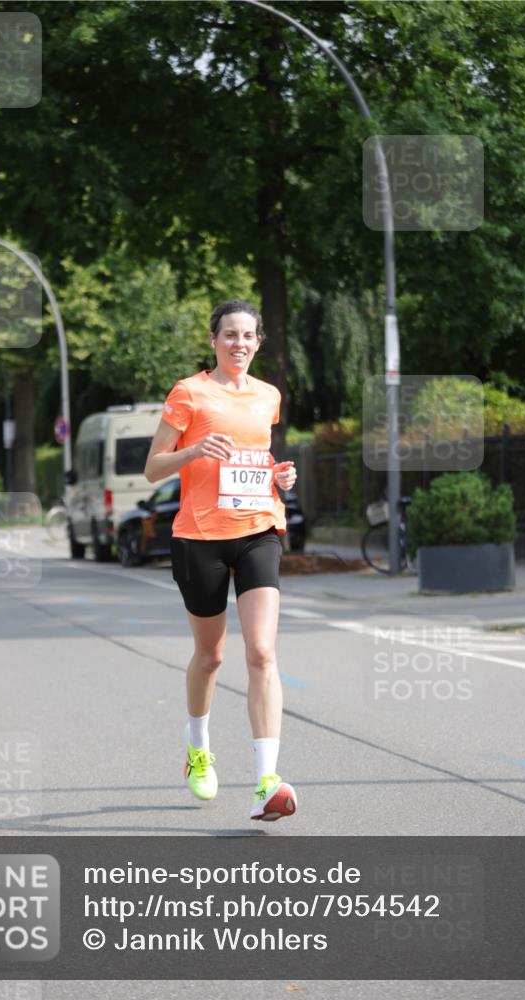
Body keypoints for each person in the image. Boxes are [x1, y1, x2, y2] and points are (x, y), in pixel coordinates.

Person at [145, 299, 298, 822]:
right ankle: (198, 749)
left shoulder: (269, 396)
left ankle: (266, 781)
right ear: (213, 340)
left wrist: (279, 476)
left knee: (261, 652)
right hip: (199, 536)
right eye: (229, 334)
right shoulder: (189, 392)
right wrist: (192, 452)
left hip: (258, 529)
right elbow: (151, 468)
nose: (239, 343)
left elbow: (259, 458)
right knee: (210, 657)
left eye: (248, 335)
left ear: (259, 342)